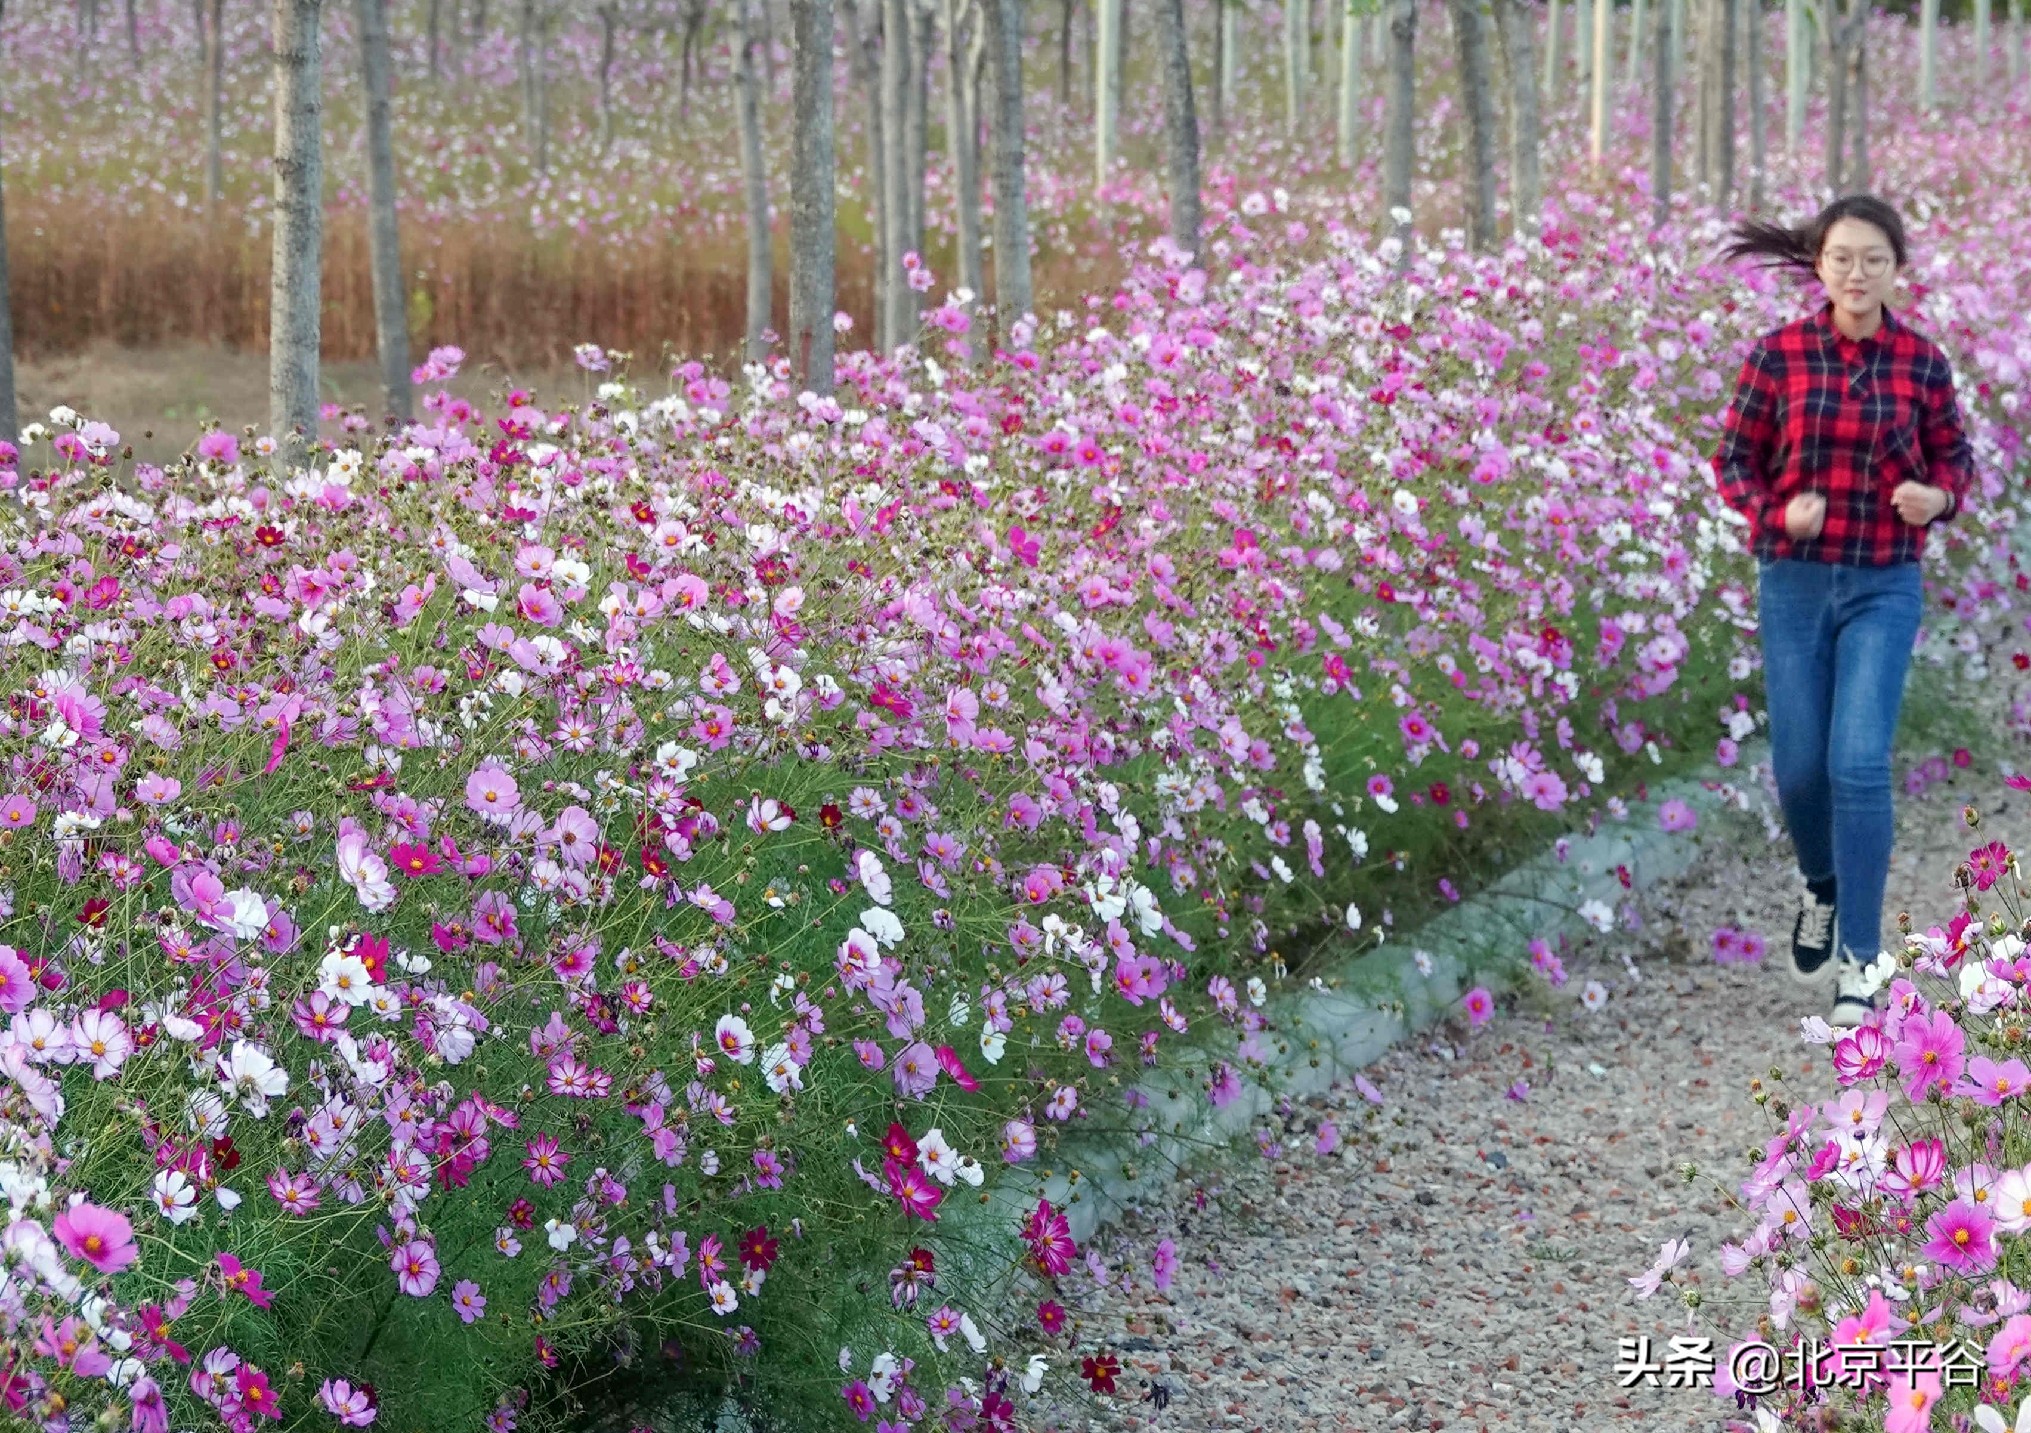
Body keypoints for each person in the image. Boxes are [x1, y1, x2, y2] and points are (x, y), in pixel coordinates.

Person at [1712, 194, 1974, 1028]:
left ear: (1896, 268)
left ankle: (1859, 957)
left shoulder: (1921, 364)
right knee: (1797, 768)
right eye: (1841, 258)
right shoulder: (1778, 355)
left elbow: (1955, 464)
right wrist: (1772, 514)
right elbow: (1732, 461)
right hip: (1791, 580)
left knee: (1856, 761)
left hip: (1881, 582)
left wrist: (1934, 498)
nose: (1856, 274)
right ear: (1818, 266)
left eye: (1873, 259)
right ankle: (1818, 884)